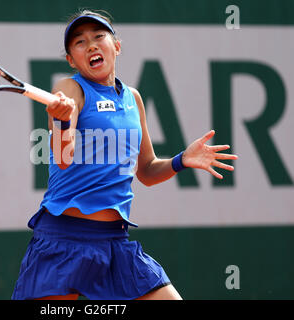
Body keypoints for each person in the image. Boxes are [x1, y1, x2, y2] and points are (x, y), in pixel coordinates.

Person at [12, 9, 238, 300]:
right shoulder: (69, 89)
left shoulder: (133, 99)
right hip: (63, 241)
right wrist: (63, 120)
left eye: (98, 37)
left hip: (115, 244)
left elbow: (147, 171)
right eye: (79, 42)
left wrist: (182, 160)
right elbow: (63, 157)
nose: (91, 45)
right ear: (71, 60)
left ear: (116, 46)